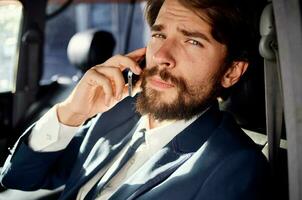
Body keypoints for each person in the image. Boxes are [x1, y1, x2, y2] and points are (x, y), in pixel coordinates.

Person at [0, 0, 269, 199]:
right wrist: (72, 112)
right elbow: (19, 177)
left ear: (231, 72)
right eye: (159, 35)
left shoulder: (236, 167)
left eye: (192, 42)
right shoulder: (118, 113)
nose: (162, 54)